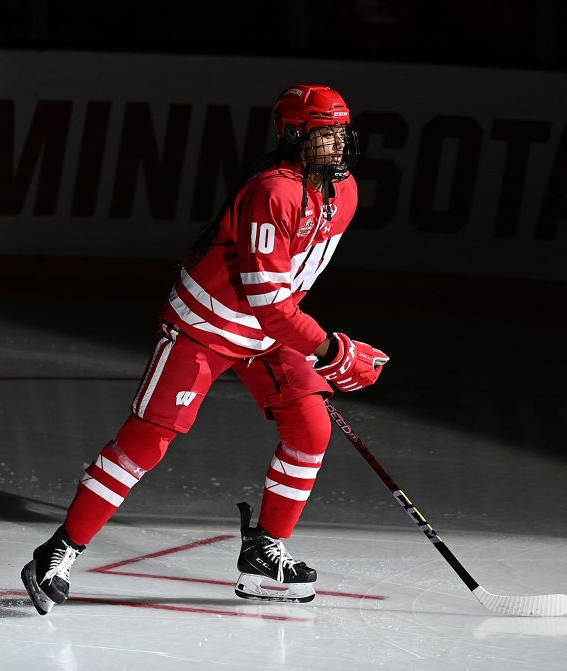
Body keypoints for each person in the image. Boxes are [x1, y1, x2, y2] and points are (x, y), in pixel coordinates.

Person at [22, 84, 388, 614]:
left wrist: (315, 349)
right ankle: (56, 552)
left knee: (311, 428)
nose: (335, 145)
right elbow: (270, 304)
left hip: (266, 334)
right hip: (205, 327)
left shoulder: (344, 192)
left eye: (339, 133)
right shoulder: (273, 191)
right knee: (146, 441)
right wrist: (333, 350)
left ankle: (263, 550)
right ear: (291, 135)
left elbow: (286, 294)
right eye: (322, 134)